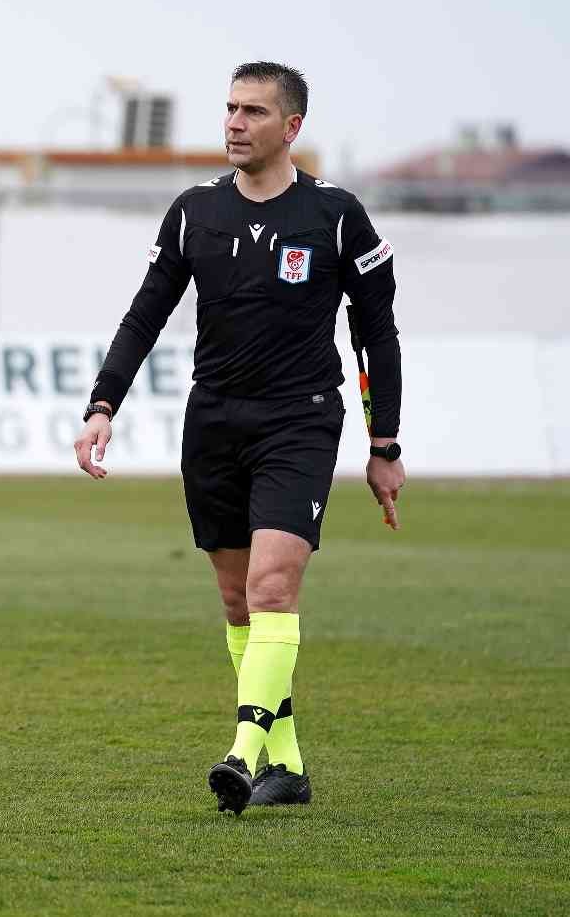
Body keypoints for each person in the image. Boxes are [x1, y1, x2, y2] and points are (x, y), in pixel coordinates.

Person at [73, 62, 404, 815]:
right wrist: (102, 405)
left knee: (273, 587)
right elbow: (145, 314)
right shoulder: (194, 212)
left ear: (292, 127)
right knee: (237, 601)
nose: (234, 122)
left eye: (253, 111)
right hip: (214, 420)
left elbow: (376, 334)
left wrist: (384, 444)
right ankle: (288, 767)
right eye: (229, 108)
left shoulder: (336, 216)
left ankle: (242, 753)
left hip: (300, 420)